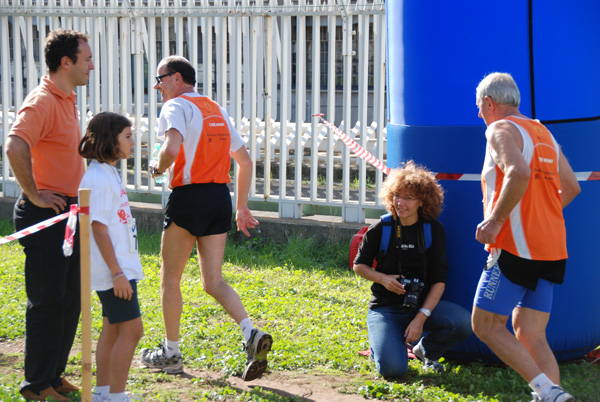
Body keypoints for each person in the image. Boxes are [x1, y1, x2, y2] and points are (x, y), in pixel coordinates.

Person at [140, 56, 271, 381]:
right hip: (218, 200)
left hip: (188, 198)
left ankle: (170, 353)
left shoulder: (174, 106)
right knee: (214, 281)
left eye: (161, 78)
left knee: (170, 279)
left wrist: (156, 168)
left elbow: (171, 148)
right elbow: (245, 161)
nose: (157, 86)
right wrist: (240, 208)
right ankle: (250, 333)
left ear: (178, 78)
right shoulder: (215, 108)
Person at [471, 72, 581, 402]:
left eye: (479, 107)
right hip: (552, 247)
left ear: (490, 103)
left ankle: (547, 391)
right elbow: (572, 186)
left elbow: (519, 172)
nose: (479, 115)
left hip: (516, 246)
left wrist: (494, 221)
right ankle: (554, 396)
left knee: (485, 325)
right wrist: (537, 216)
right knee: (530, 332)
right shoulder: (543, 131)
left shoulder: (500, 129)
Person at [5, 28, 94, 402]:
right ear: (66, 62)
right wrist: (34, 193)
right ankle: (36, 386)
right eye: (87, 59)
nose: (92, 65)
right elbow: (14, 145)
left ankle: (53, 376)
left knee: (70, 299)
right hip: (47, 218)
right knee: (47, 302)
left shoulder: (68, 97)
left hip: (70, 215)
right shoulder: (42, 100)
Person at [353, 161, 473, 378]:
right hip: (386, 307)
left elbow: (439, 280)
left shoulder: (432, 230)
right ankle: (382, 344)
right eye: (397, 195)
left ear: (422, 202)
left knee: (463, 323)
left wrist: (421, 317)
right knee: (393, 370)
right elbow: (359, 265)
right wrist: (383, 279)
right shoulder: (382, 227)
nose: (401, 202)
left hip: (421, 306)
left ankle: (425, 351)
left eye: (408, 198)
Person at [78, 112, 144, 402]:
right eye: (127, 136)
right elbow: (99, 228)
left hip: (116, 268)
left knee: (113, 328)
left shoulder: (105, 172)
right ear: (110, 140)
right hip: (114, 271)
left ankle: (103, 392)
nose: (133, 142)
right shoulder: (99, 177)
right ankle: (117, 396)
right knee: (133, 330)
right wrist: (117, 273)